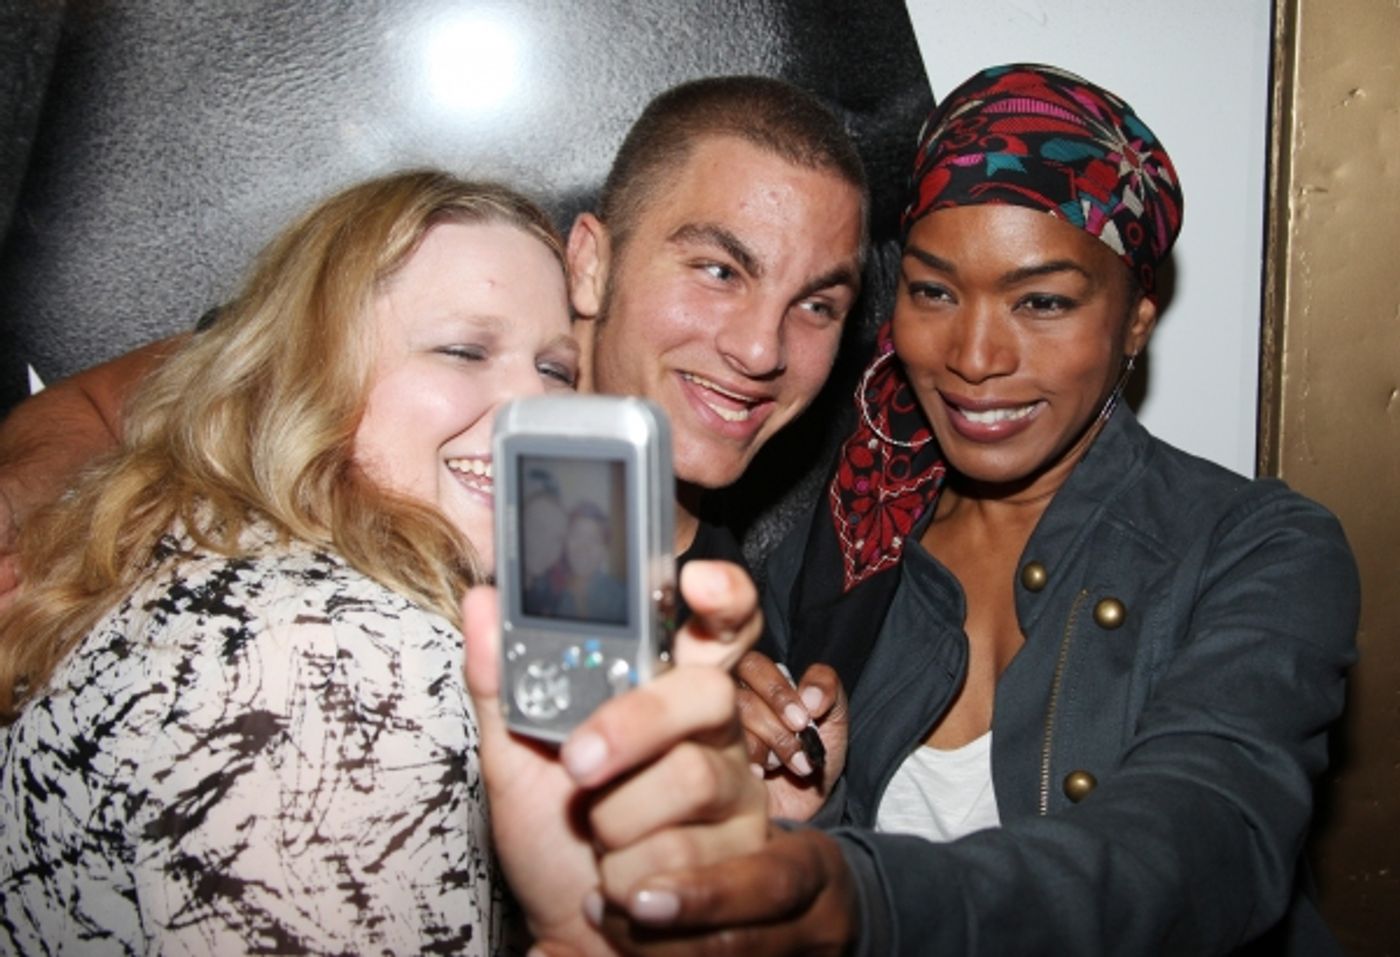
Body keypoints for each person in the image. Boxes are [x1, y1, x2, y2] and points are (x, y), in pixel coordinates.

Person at [594, 64, 1361, 955]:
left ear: (1136, 322)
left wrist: (860, 893)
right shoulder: (835, 556)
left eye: (1041, 301)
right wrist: (779, 805)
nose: (975, 354)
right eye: (934, 291)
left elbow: (1203, 848)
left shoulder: (1257, 548)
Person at [0, 171, 769, 953]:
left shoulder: (217, 550)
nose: (532, 411)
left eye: (553, 369)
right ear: (305, 374)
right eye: (465, 350)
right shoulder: (341, 661)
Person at [0, 76, 867, 626]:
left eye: (817, 304)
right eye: (718, 269)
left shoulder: (711, 588)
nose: (761, 347)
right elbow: (100, 407)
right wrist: (45, 538)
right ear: (591, 262)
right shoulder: (442, 305)